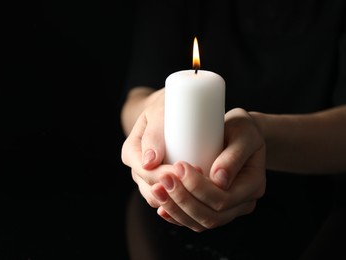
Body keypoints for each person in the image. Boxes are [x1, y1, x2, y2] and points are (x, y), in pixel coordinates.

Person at [120, 0, 346, 259]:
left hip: (320, 204)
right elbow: (136, 101)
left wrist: (259, 137)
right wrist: (153, 115)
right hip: (161, 220)